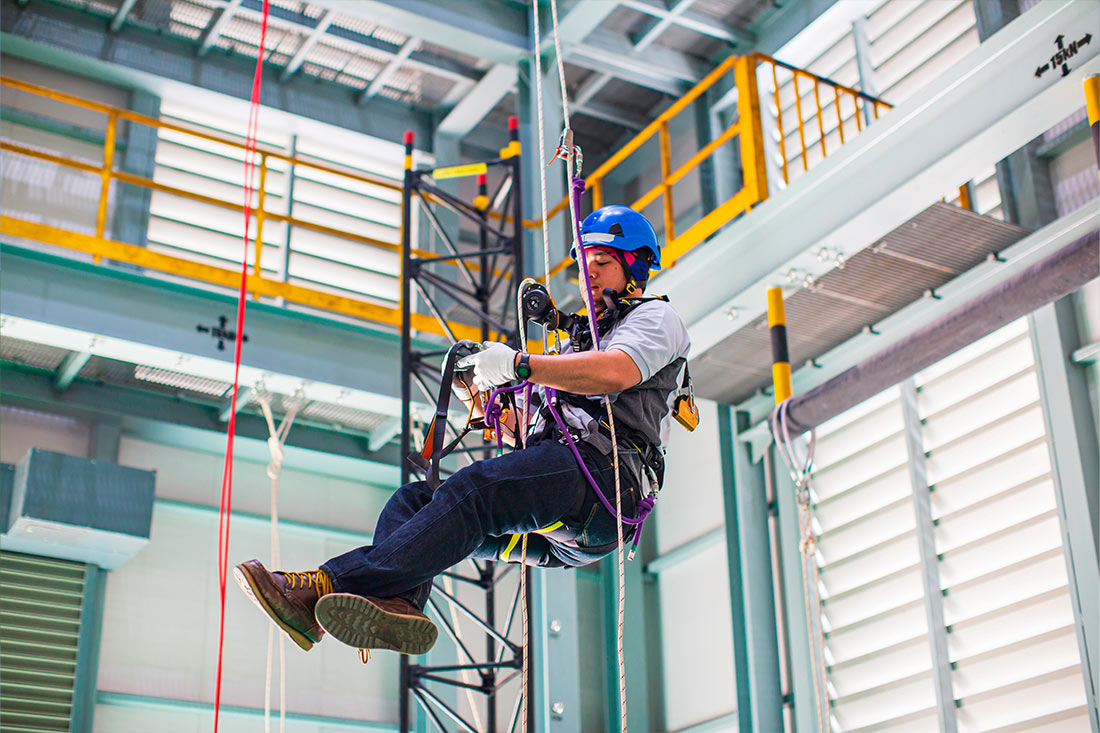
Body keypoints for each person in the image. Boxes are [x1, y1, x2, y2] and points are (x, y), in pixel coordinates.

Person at [234, 205, 691, 657]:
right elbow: (531, 447)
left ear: (634, 266)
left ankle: (321, 586)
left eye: (603, 262)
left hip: (605, 487)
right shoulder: (576, 344)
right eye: (583, 262)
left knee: (476, 489)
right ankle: (400, 603)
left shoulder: (654, 320)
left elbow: (615, 373)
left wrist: (521, 365)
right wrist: (485, 402)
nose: (588, 272)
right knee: (414, 501)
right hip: (565, 517)